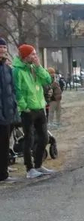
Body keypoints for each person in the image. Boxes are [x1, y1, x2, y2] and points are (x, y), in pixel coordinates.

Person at [12, 44, 54, 179]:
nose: (35, 56)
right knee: (29, 139)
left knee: (44, 137)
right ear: (25, 56)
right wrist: (24, 107)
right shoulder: (17, 71)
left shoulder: (34, 68)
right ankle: (29, 169)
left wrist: (39, 66)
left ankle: (38, 165)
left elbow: (47, 80)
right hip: (28, 110)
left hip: (39, 106)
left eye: (35, 54)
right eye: (33, 54)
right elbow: (17, 90)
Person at [0, 38, 18, 184]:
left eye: (4, 47)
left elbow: (11, 90)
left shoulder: (7, 68)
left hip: (7, 113)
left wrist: (13, 105)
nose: (2, 49)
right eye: (0, 47)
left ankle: (3, 174)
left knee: (5, 144)